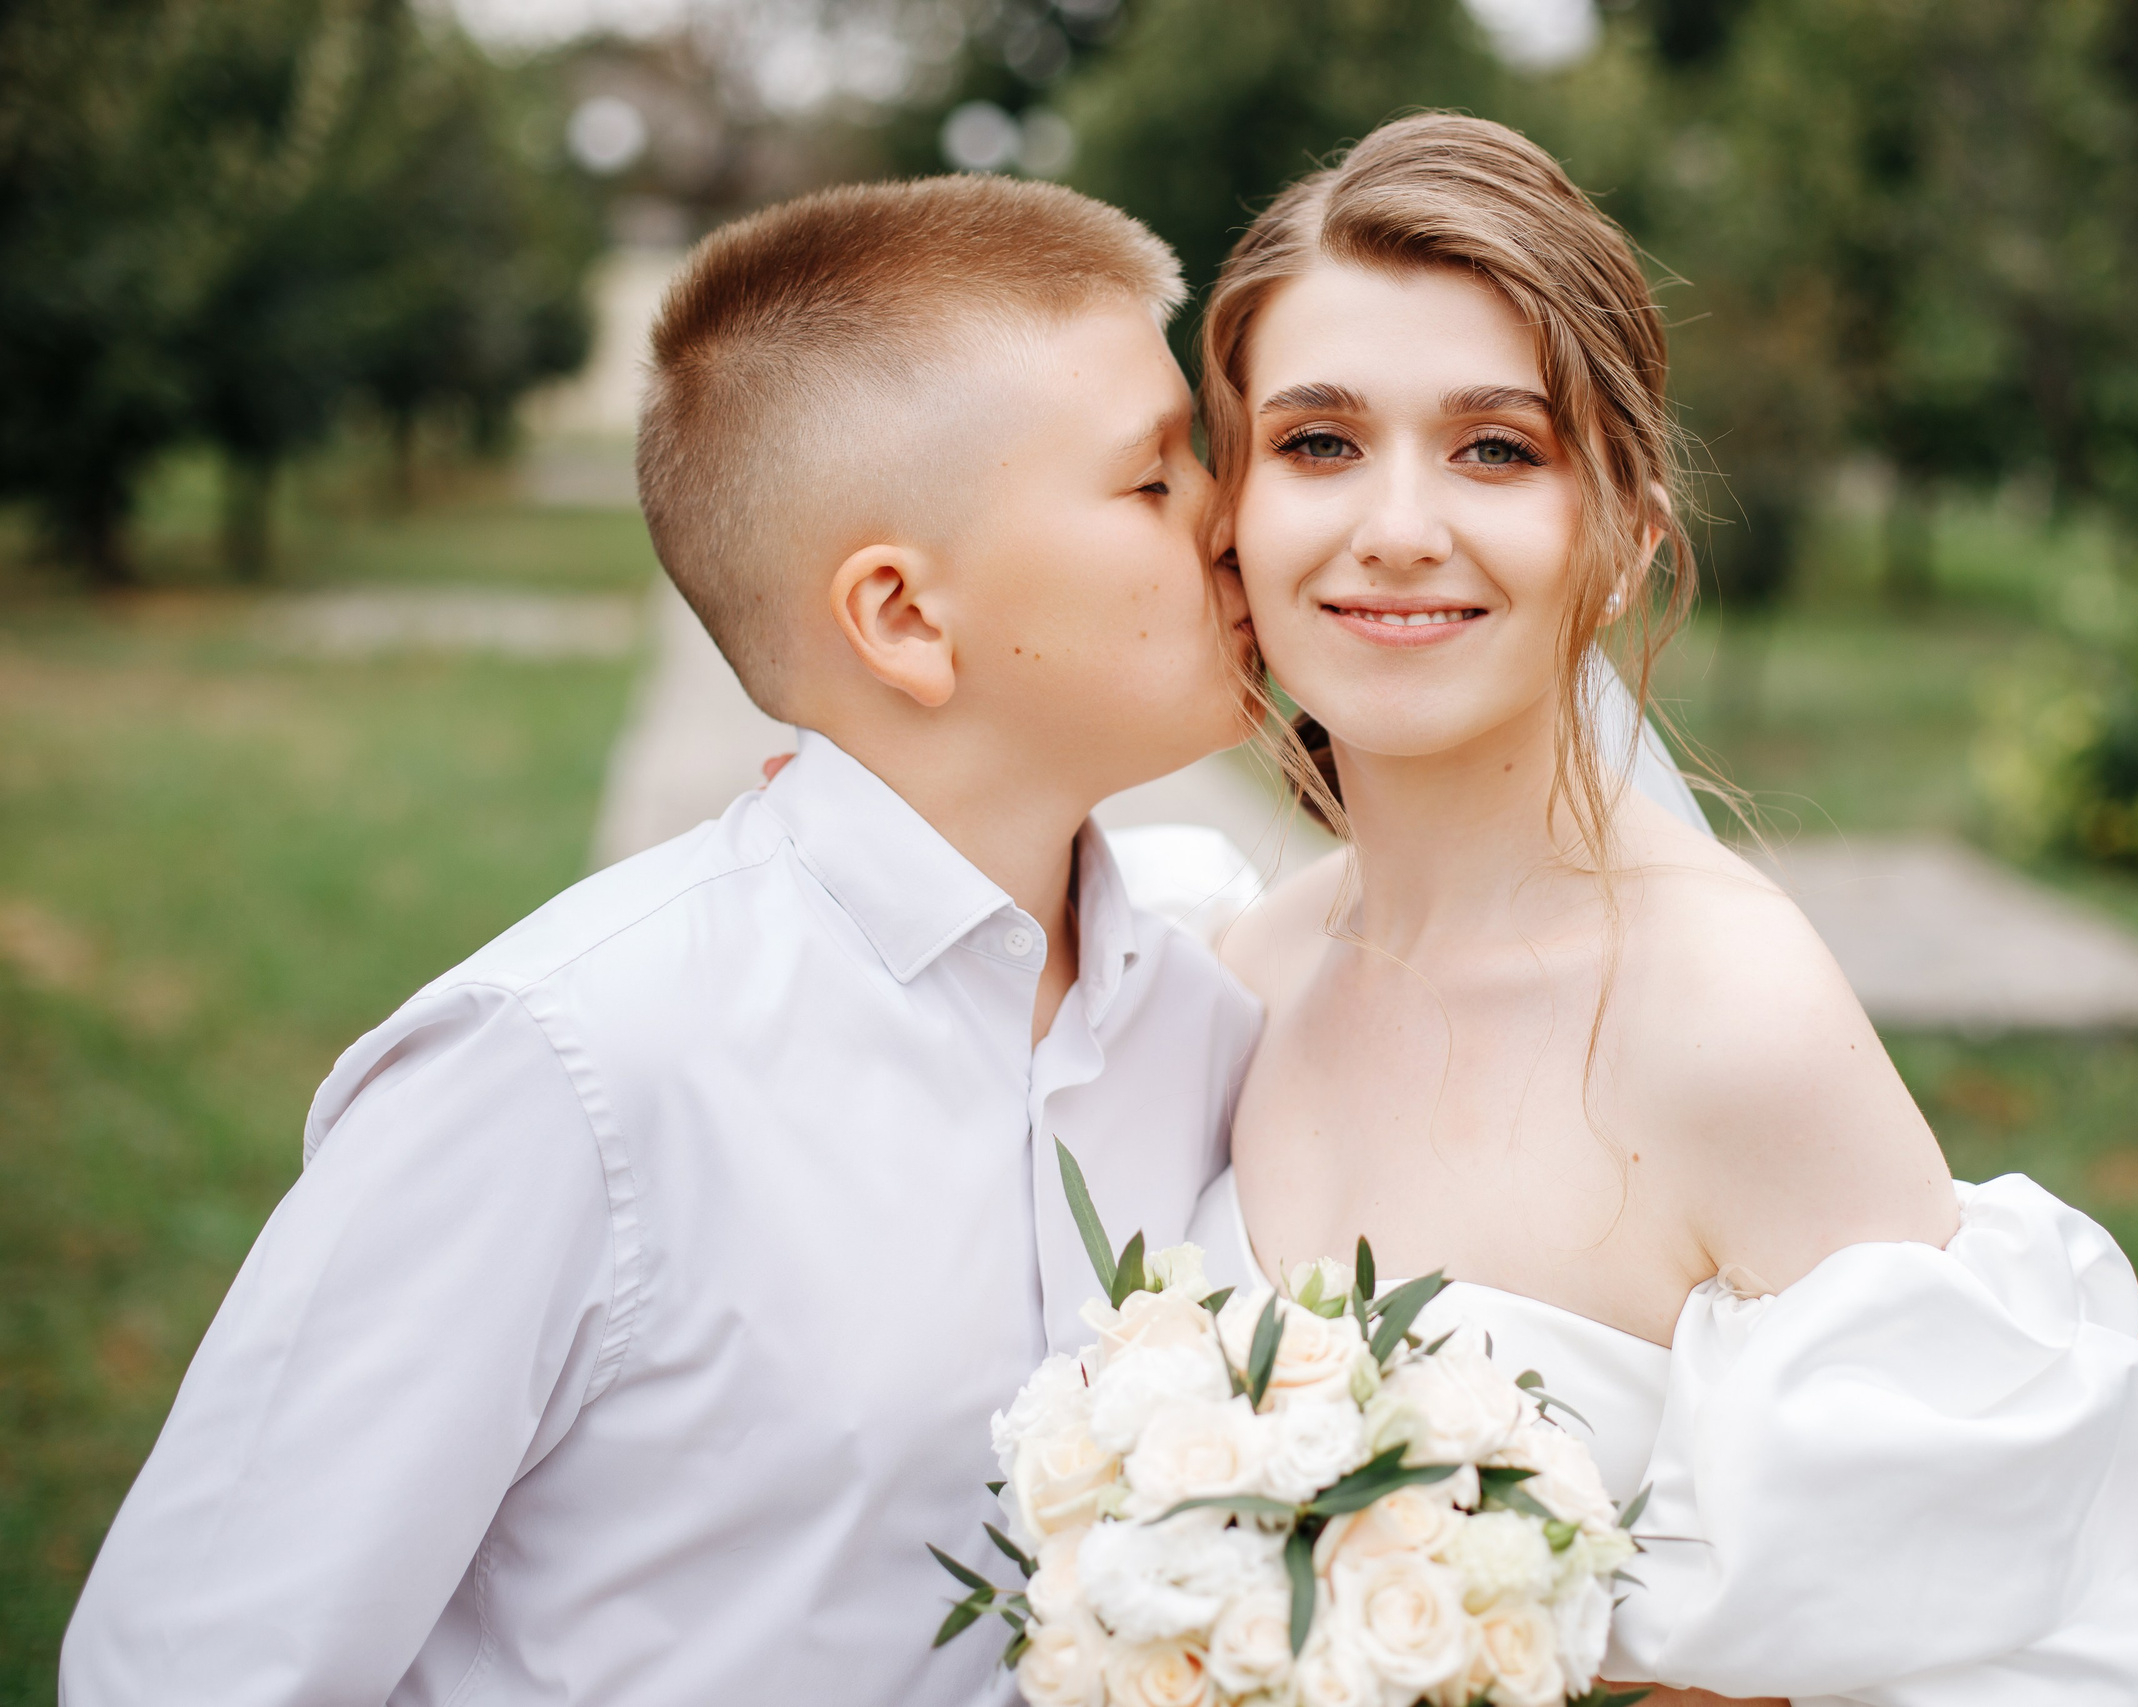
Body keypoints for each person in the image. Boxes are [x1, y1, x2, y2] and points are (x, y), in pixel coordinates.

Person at [61, 176, 1262, 1706]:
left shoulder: (1208, 999)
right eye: (1154, 481)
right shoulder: (564, 1071)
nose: (1234, 516)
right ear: (900, 616)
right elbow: (194, 1673)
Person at [1186, 114, 2138, 1706]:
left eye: (1496, 447)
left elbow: (1991, 1643)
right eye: (1319, 442)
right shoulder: (1241, 968)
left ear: (1623, 538)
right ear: (1233, 514)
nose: (1394, 524)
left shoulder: (1730, 1018)